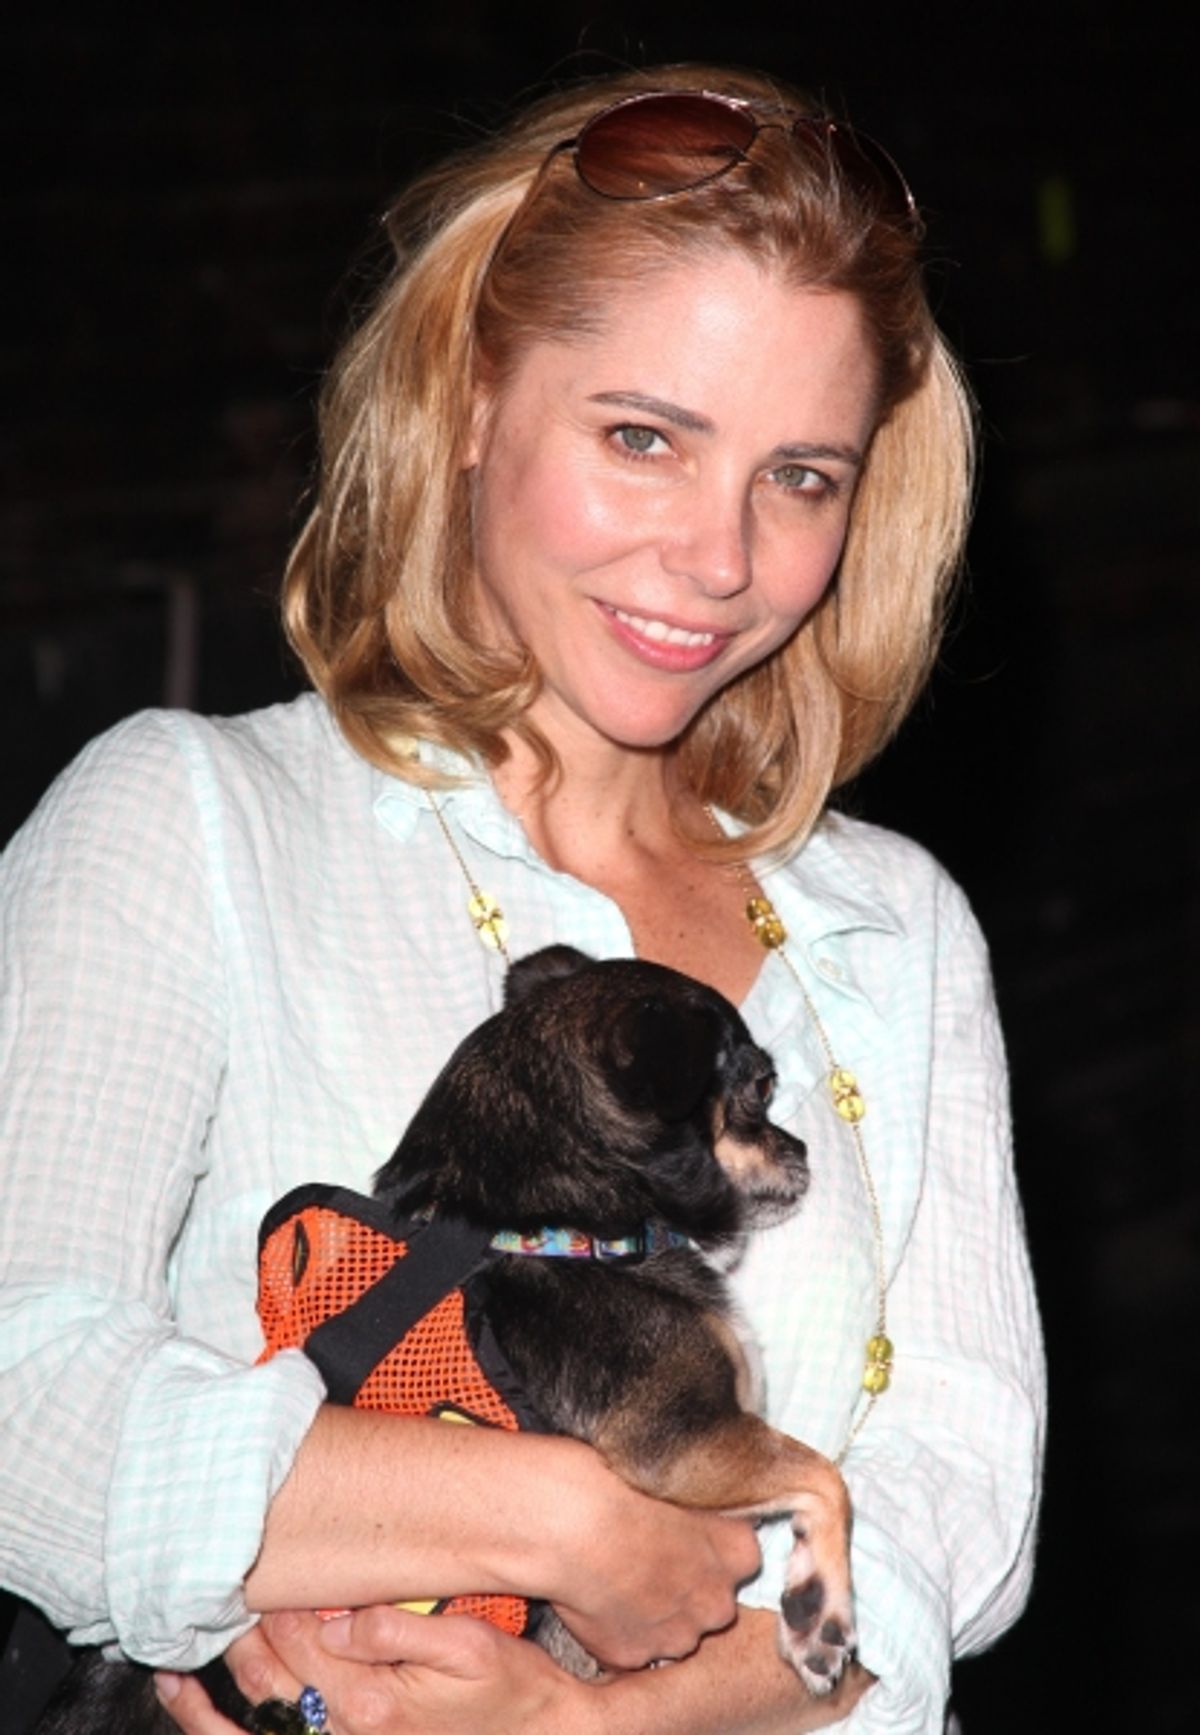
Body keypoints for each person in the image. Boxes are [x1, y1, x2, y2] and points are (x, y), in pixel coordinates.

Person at [0, 61, 1045, 1734]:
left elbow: (962, 1507)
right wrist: (560, 1518)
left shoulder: (894, 932)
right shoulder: (193, 824)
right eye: (644, 438)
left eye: (802, 476)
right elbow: (21, 1399)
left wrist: (590, 1721)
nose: (719, 558)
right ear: (474, 400)